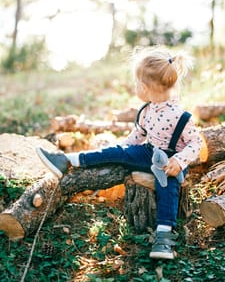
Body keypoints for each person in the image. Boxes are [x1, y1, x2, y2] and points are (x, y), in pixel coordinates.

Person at [36, 47, 202, 260]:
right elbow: (138, 135)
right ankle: (67, 159)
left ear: (143, 86)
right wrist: (124, 151)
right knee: (116, 151)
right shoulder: (147, 110)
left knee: (168, 188)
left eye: (136, 83)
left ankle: (164, 237)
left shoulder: (182, 116)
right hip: (148, 153)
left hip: (170, 162)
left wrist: (179, 161)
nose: (135, 87)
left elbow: (195, 143)